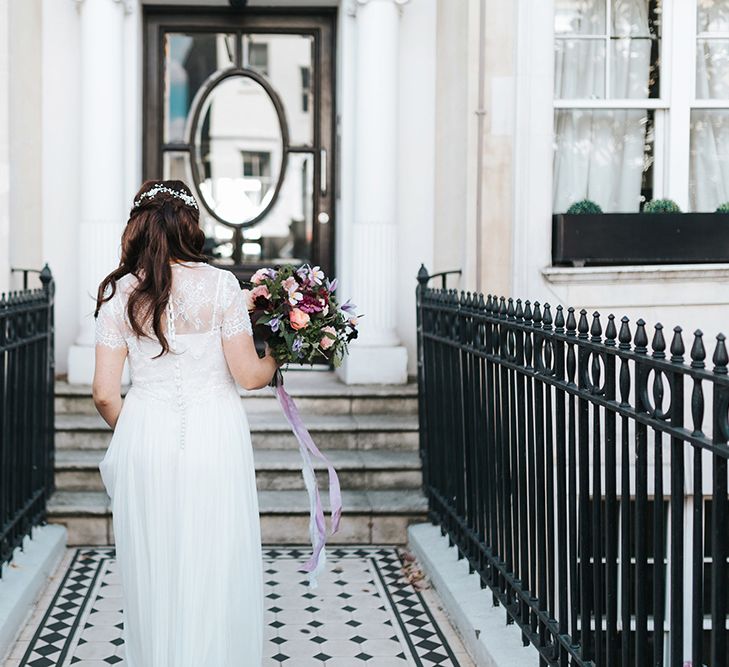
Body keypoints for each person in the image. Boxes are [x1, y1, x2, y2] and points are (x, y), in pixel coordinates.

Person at [92, 179, 279, 666]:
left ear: (136, 227)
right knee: (214, 561)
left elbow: (104, 393)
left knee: (154, 567)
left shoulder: (119, 294)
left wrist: (135, 430)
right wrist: (278, 354)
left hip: (146, 436)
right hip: (214, 435)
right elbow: (249, 375)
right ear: (190, 226)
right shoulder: (221, 287)